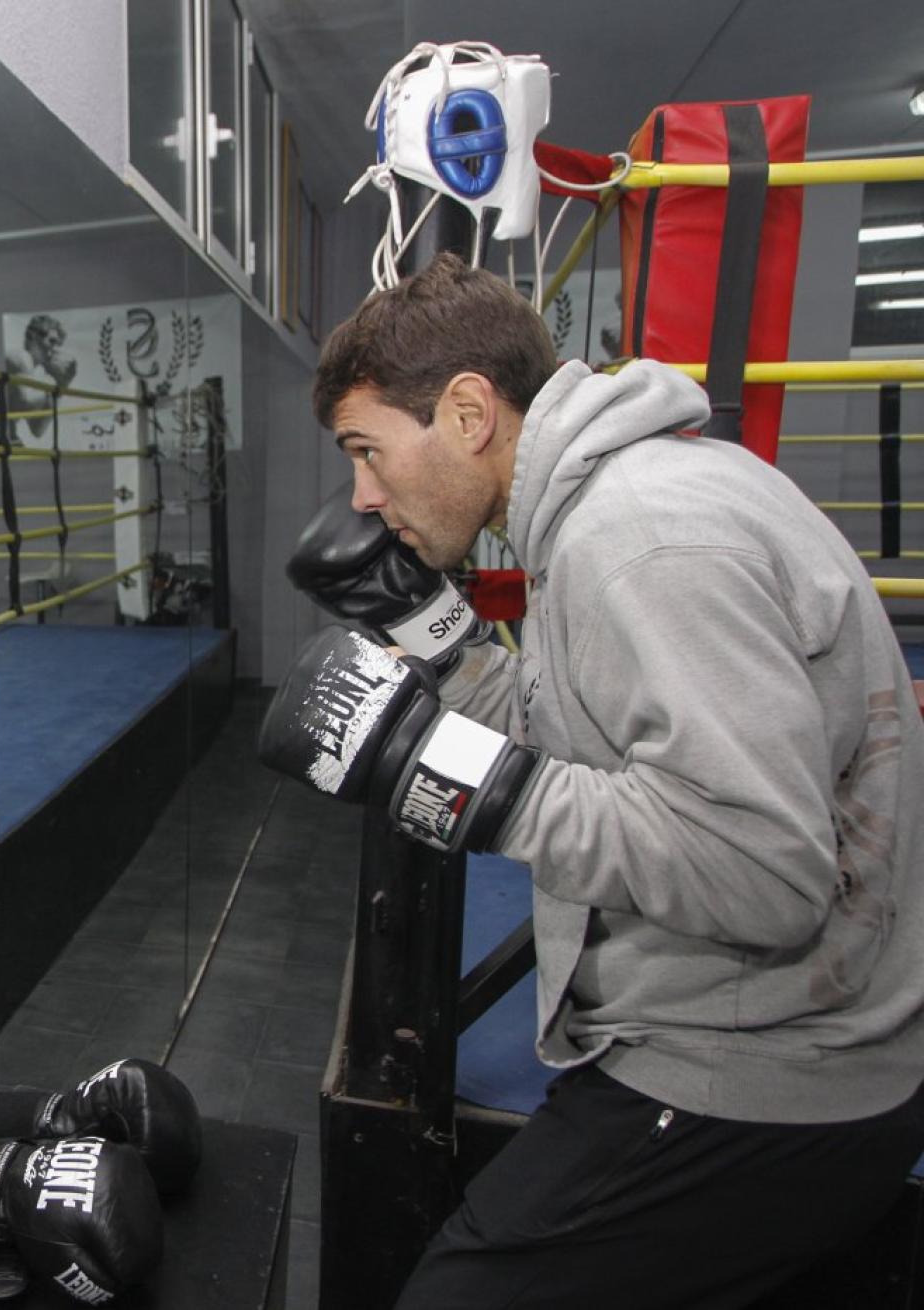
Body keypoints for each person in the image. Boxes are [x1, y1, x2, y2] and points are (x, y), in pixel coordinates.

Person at [259, 252, 924, 1308]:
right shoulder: (618, 503)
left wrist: (448, 777)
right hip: (756, 1039)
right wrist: (435, 639)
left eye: (368, 451)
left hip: (765, 1078)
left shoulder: (639, 537)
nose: (364, 495)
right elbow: (574, 728)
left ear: (470, 410)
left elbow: (762, 871)